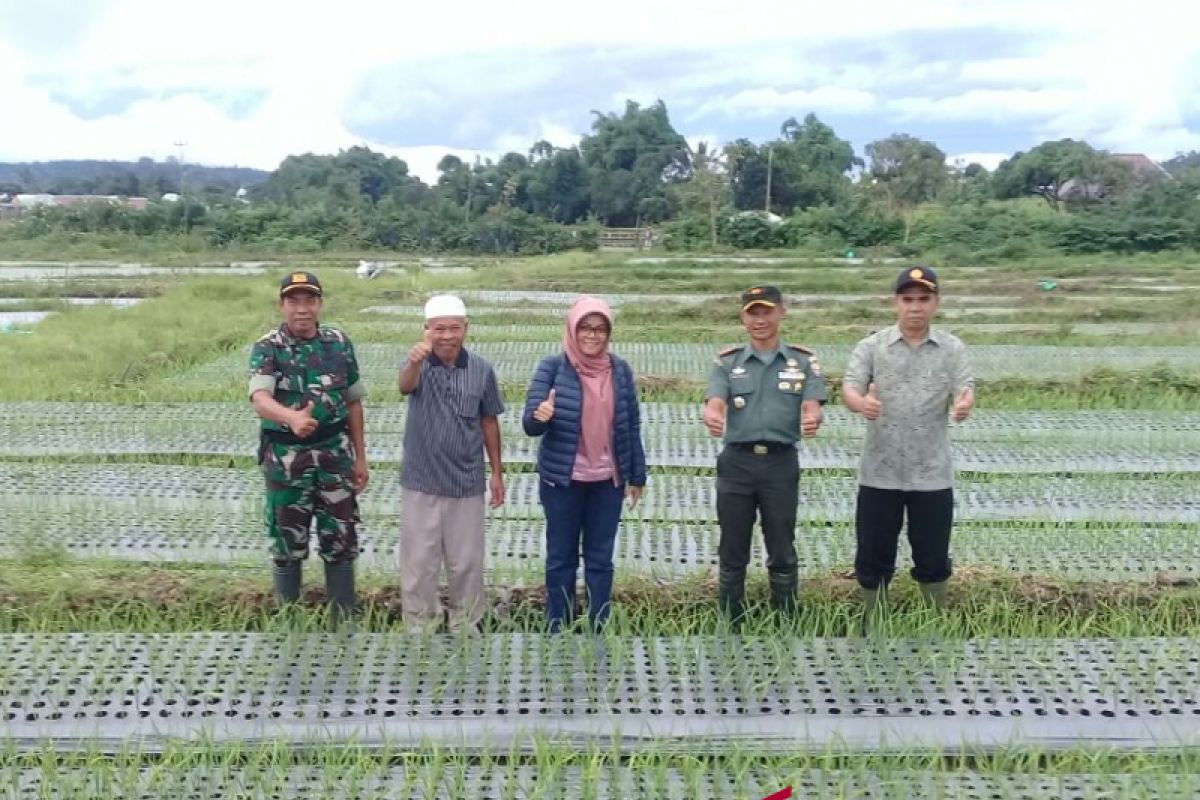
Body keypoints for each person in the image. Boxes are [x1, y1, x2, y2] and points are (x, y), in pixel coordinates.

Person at [841, 266, 974, 631]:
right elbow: (850, 388)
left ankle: (934, 620)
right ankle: (874, 620)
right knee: (873, 555)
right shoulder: (871, 347)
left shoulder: (952, 349)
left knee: (933, 555)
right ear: (896, 302)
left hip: (931, 473)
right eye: (908, 299)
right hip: (879, 472)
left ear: (936, 303)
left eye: (923, 299)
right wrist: (861, 404)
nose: (915, 307)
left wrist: (963, 405)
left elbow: (965, 390)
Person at [248, 271, 369, 630]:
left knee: (341, 540)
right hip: (287, 461)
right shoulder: (268, 347)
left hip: (335, 457)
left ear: (320, 304)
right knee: (287, 544)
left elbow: (353, 402)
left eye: (309, 300)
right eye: (294, 301)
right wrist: (292, 418)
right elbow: (260, 398)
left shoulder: (338, 343)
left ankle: (343, 624)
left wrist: (361, 458)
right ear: (282, 305)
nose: (302, 308)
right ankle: (290, 625)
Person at [702, 286, 826, 625]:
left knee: (782, 544)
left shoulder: (803, 361)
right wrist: (712, 413)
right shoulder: (728, 362)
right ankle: (730, 621)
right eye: (753, 313)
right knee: (732, 547)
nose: (760, 320)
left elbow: (812, 405)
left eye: (767, 311)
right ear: (743, 318)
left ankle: (785, 620)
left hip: (780, 464)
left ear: (781, 312)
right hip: (736, 464)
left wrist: (812, 417)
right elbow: (715, 400)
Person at [522, 297, 647, 633]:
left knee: (600, 558)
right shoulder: (552, 368)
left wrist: (637, 475)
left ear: (609, 333)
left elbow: (631, 423)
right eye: (585, 328)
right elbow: (530, 425)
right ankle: (557, 622)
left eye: (600, 329)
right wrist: (541, 415)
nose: (592, 335)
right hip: (563, 481)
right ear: (572, 330)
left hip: (607, 480)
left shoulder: (620, 371)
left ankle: (598, 623)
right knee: (561, 556)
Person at [398, 294, 505, 633]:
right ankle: (421, 625)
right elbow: (404, 386)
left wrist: (497, 473)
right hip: (421, 480)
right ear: (426, 329)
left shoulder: (481, 369)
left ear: (465, 329)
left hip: (466, 481)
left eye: (454, 328)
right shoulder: (417, 364)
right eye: (439, 329)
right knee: (419, 562)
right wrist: (414, 362)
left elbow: (489, 421)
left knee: (466, 562)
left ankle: (466, 624)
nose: (447, 336)